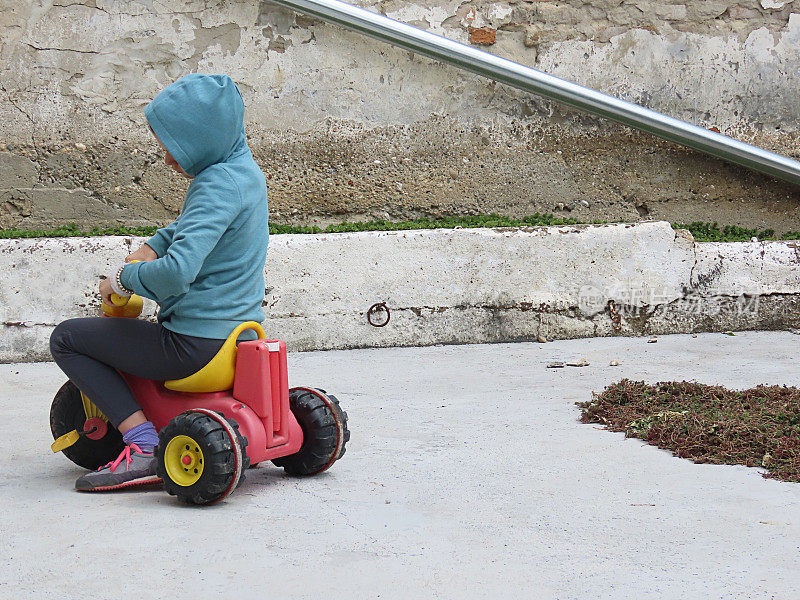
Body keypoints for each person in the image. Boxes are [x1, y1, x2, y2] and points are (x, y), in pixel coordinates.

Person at [49, 73, 269, 491]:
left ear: (202, 138)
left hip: (191, 346)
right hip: (236, 337)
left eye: (175, 146)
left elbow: (175, 274)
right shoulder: (243, 173)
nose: (168, 158)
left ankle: (144, 444)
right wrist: (152, 245)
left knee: (68, 338)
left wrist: (122, 277)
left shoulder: (213, 183)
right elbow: (192, 227)